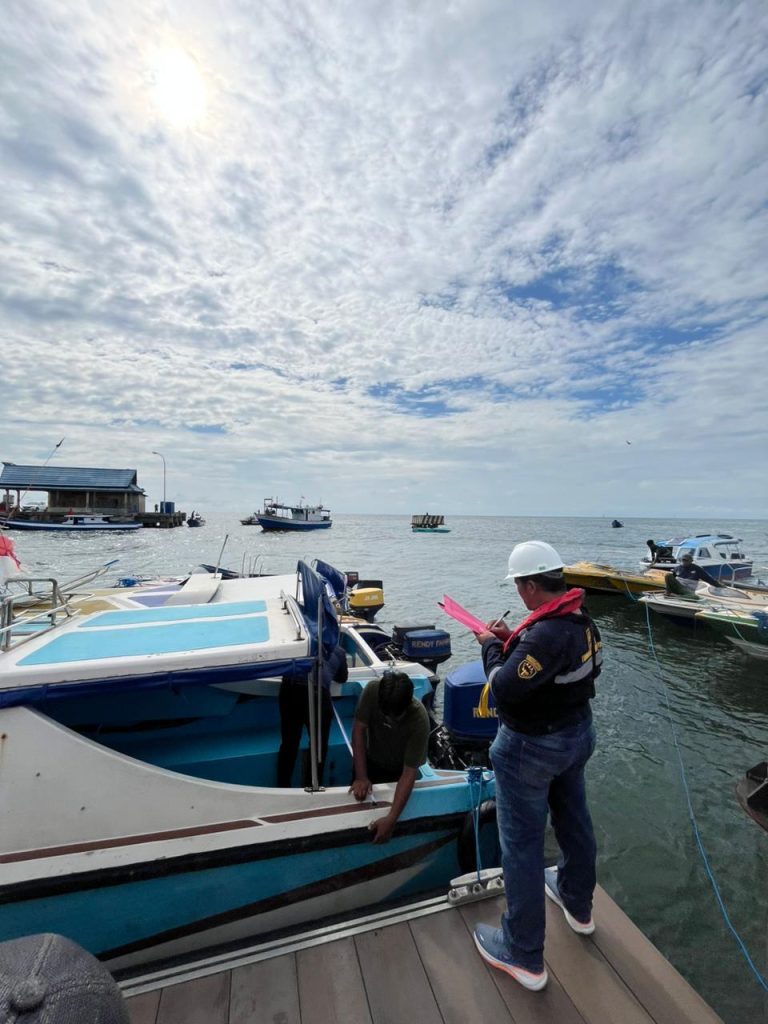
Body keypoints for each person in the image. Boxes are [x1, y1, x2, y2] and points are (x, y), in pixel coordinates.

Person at [471, 540, 602, 992]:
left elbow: (504, 688)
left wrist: (491, 647)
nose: (518, 592)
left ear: (529, 586)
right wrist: (514, 640)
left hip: (530, 748)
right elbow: (558, 667)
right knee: (574, 820)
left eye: (518, 585)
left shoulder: (546, 635)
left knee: (521, 847)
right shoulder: (580, 619)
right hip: (576, 735)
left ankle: (523, 953)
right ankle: (577, 903)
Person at [349, 671, 430, 843]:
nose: (390, 720)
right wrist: (361, 777)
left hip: (398, 771)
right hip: (370, 761)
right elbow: (358, 730)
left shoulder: (419, 721)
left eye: (394, 717)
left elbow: (409, 773)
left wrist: (391, 819)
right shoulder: (372, 690)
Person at [277, 645, 348, 787]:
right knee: (318, 746)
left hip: (291, 690)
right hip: (318, 695)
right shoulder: (339, 651)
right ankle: (313, 786)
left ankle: (282, 784)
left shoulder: (298, 646)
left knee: (289, 743)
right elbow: (342, 678)